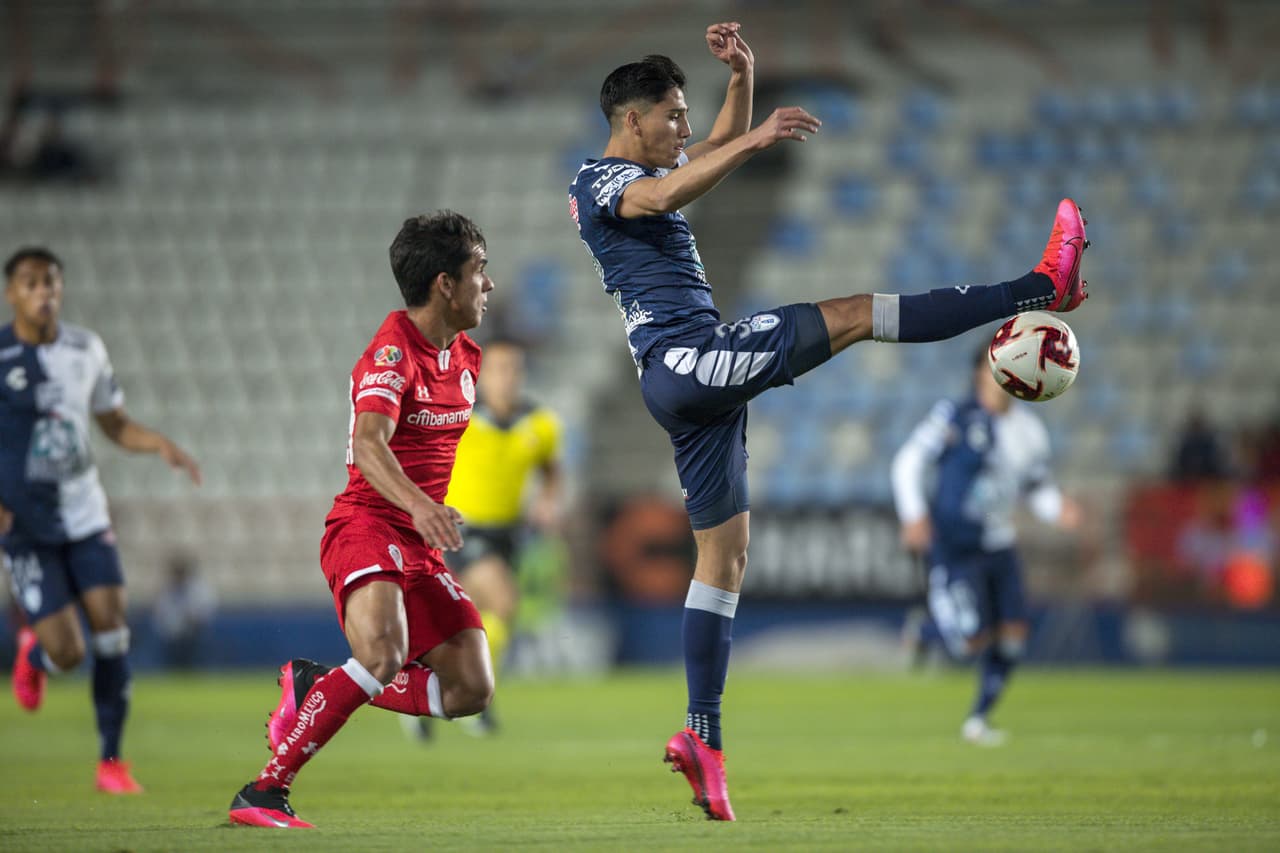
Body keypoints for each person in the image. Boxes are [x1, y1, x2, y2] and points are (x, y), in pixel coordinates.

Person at [568, 22, 1088, 820]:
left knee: (726, 555)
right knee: (853, 313)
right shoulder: (599, 179)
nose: (684, 128)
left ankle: (702, 738)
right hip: (686, 360)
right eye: (673, 114)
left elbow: (701, 156)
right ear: (631, 119)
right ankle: (1039, 285)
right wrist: (758, 138)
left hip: (691, 378)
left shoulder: (649, 161)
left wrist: (743, 79)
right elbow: (671, 190)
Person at [227, 211, 497, 829]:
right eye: (479, 270)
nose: (489, 284)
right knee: (382, 655)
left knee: (470, 690)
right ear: (443, 284)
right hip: (368, 525)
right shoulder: (392, 351)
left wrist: (430, 510)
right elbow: (370, 446)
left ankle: (317, 683)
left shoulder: (466, 357)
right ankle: (264, 791)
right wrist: (421, 505)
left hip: (419, 539)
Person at [1, 246, 201, 794]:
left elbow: (113, 423)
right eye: (31, 283)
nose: (44, 292)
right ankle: (36, 652)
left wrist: (156, 442)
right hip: (25, 527)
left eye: (51, 282)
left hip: (85, 514)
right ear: (11, 293)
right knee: (69, 653)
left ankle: (112, 761)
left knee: (114, 633)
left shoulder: (85, 349)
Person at [892, 347, 1083, 746]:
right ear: (980, 371)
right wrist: (913, 513)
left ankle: (978, 720)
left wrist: (1057, 510)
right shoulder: (954, 416)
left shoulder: (1029, 431)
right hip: (956, 546)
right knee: (969, 643)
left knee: (1013, 635)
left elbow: (1036, 488)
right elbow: (908, 461)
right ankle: (926, 633)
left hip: (999, 544)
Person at [407, 337, 561, 740]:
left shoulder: (540, 425)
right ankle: (472, 700)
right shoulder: (459, 420)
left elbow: (551, 470)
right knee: (505, 602)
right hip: (461, 530)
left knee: (472, 623)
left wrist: (546, 500)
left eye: (514, 369)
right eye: (498, 369)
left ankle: (424, 693)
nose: (507, 378)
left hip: (509, 533)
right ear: (481, 375)